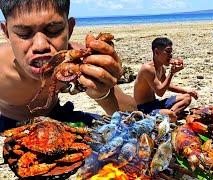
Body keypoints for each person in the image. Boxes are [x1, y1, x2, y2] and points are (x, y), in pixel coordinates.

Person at [0, 0, 136, 132]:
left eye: (54, 30)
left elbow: (133, 115)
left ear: (69, 29)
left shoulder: (78, 61)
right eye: (24, 33)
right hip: (10, 123)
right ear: (6, 33)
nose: (40, 46)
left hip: (57, 116)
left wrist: (103, 93)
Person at [134, 37, 198, 118]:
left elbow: (168, 86)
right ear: (156, 52)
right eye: (168, 52)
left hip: (155, 103)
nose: (170, 55)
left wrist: (187, 91)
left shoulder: (161, 67)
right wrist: (171, 73)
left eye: (171, 52)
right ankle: (171, 115)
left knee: (187, 97)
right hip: (145, 108)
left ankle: (170, 115)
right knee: (170, 115)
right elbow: (160, 92)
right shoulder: (148, 69)